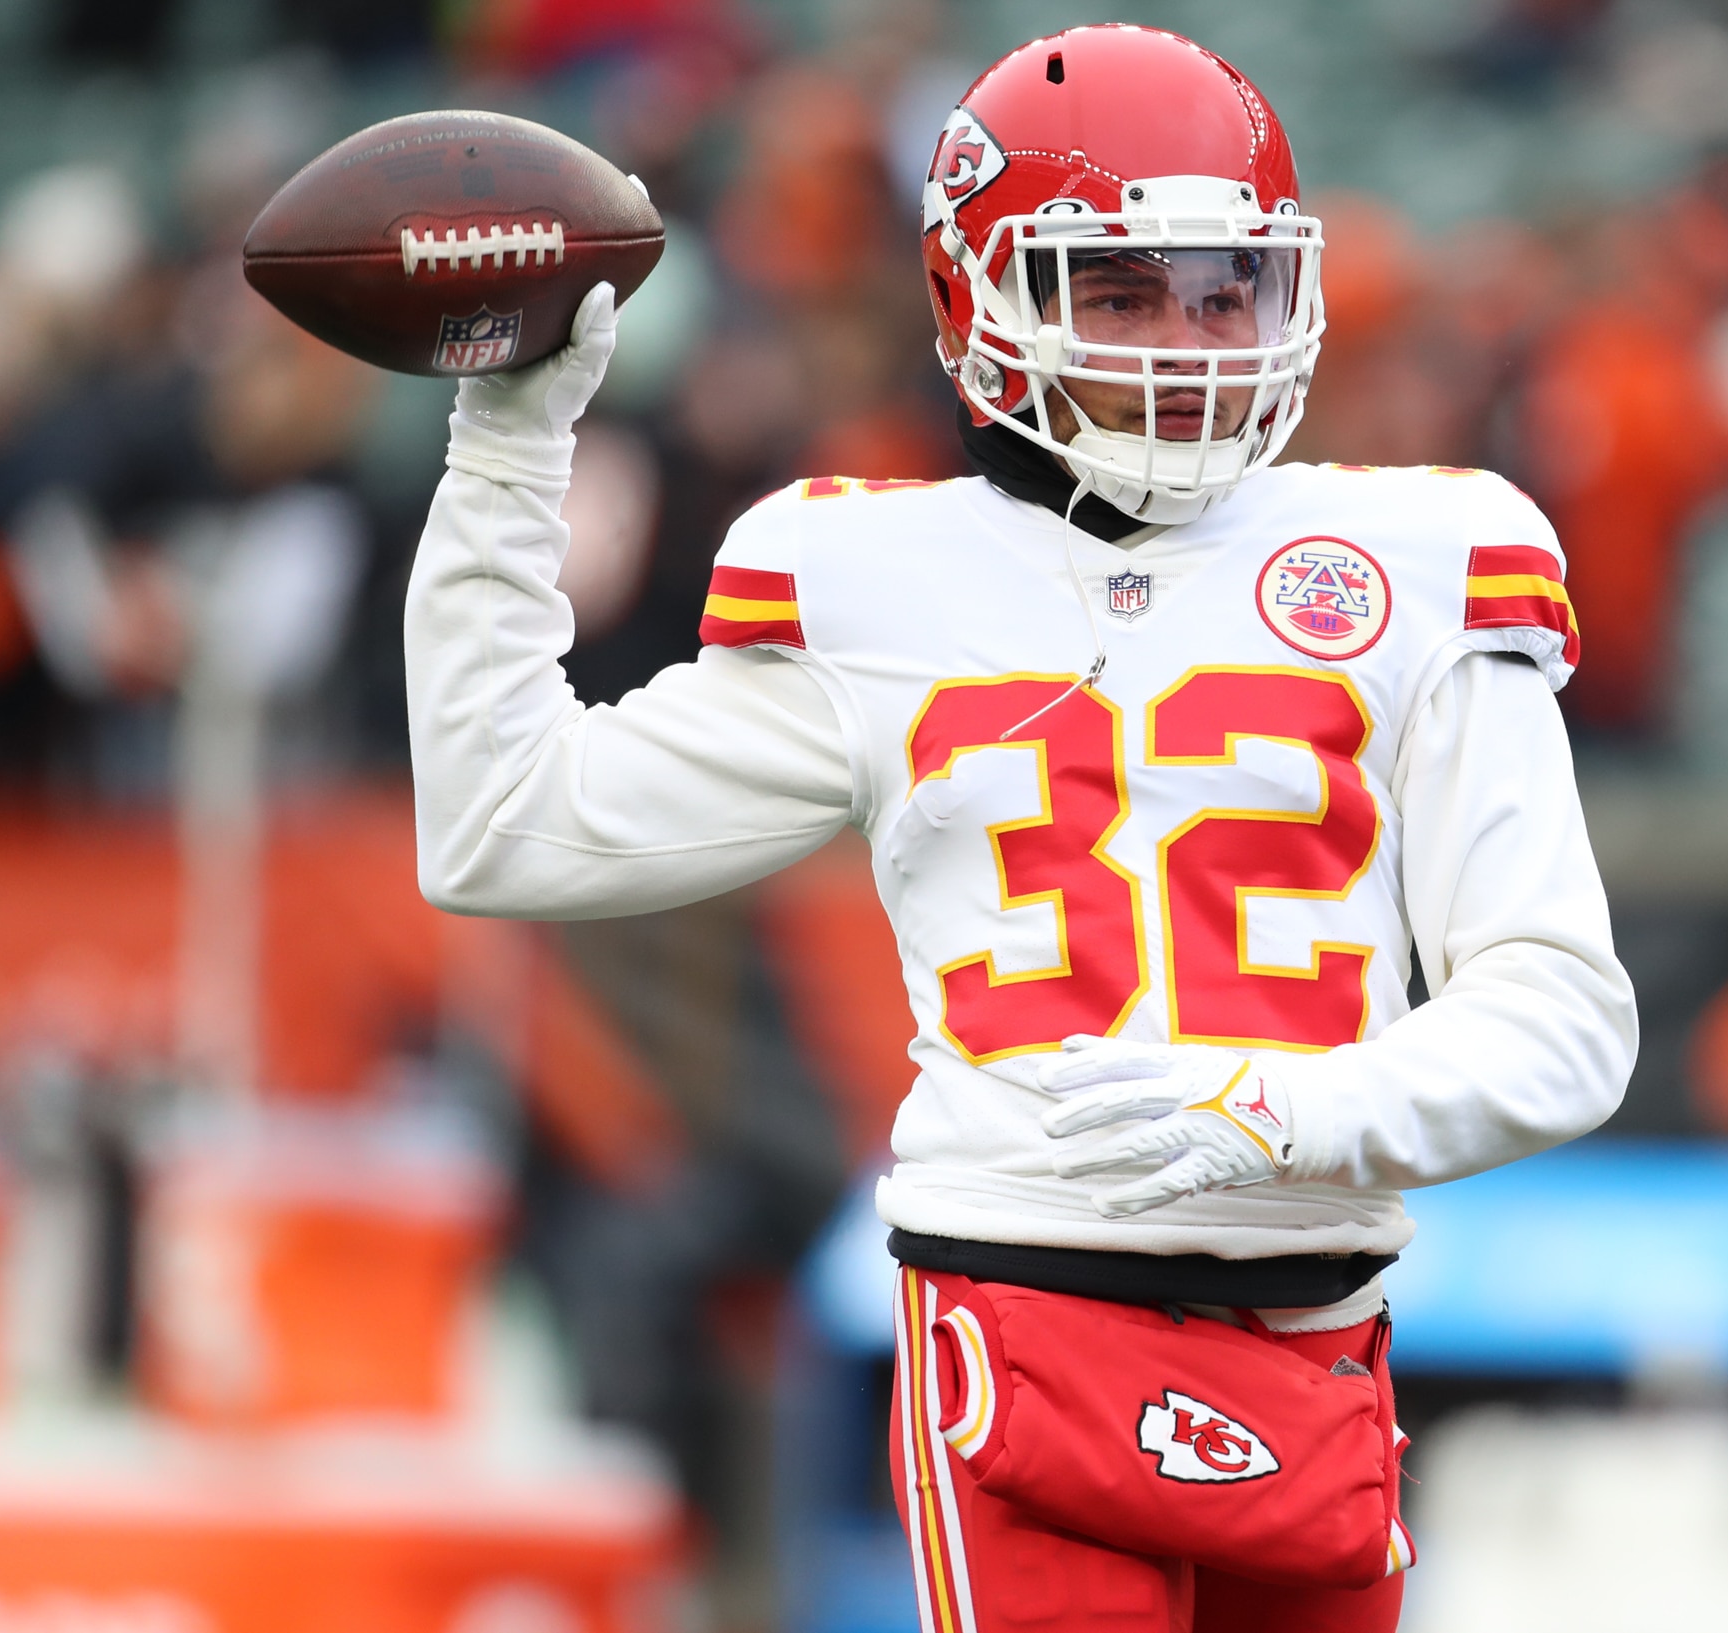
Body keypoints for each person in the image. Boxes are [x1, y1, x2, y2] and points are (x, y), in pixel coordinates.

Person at [406, 24, 1636, 1632]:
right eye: (1119, 291)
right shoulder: (877, 574)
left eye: (1224, 290)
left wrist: (1289, 1107)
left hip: (1320, 1334)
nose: (1187, 342)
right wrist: (507, 450)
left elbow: (1564, 1018)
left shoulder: (1419, 555)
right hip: (1022, 1298)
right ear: (973, 303)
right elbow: (504, 825)